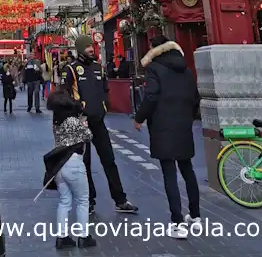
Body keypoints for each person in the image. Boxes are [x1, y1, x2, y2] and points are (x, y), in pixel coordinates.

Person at [134, 35, 201, 238]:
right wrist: (187, 116)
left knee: (169, 173)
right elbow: (195, 98)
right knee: (187, 168)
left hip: (163, 125)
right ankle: (196, 216)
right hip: (183, 124)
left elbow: (151, 95)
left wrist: (140, 117)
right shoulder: (186, 70)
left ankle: (177, 222)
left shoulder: (155, 68)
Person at [62, 36, 137, 215]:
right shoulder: (71, 70)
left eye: (92, 46)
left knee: (109, 161)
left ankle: (120, 200)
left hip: (99, 123)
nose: (91, 49)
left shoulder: (99, 68)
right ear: (80, 49)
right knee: (84, 165)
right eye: (88, 46)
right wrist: (77, 113)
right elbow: (65, 97)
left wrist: (104, 106)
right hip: (82, 123)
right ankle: (89, 201)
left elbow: (105, 90)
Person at [44, 88, 96, 250]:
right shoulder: (73, 121)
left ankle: (62, 237)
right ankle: (83, 236)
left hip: (60, 164)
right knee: (82, 200)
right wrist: (84, 124)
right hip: (74, 162)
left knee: (64, 201)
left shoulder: (56, 120)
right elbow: (88, 135)